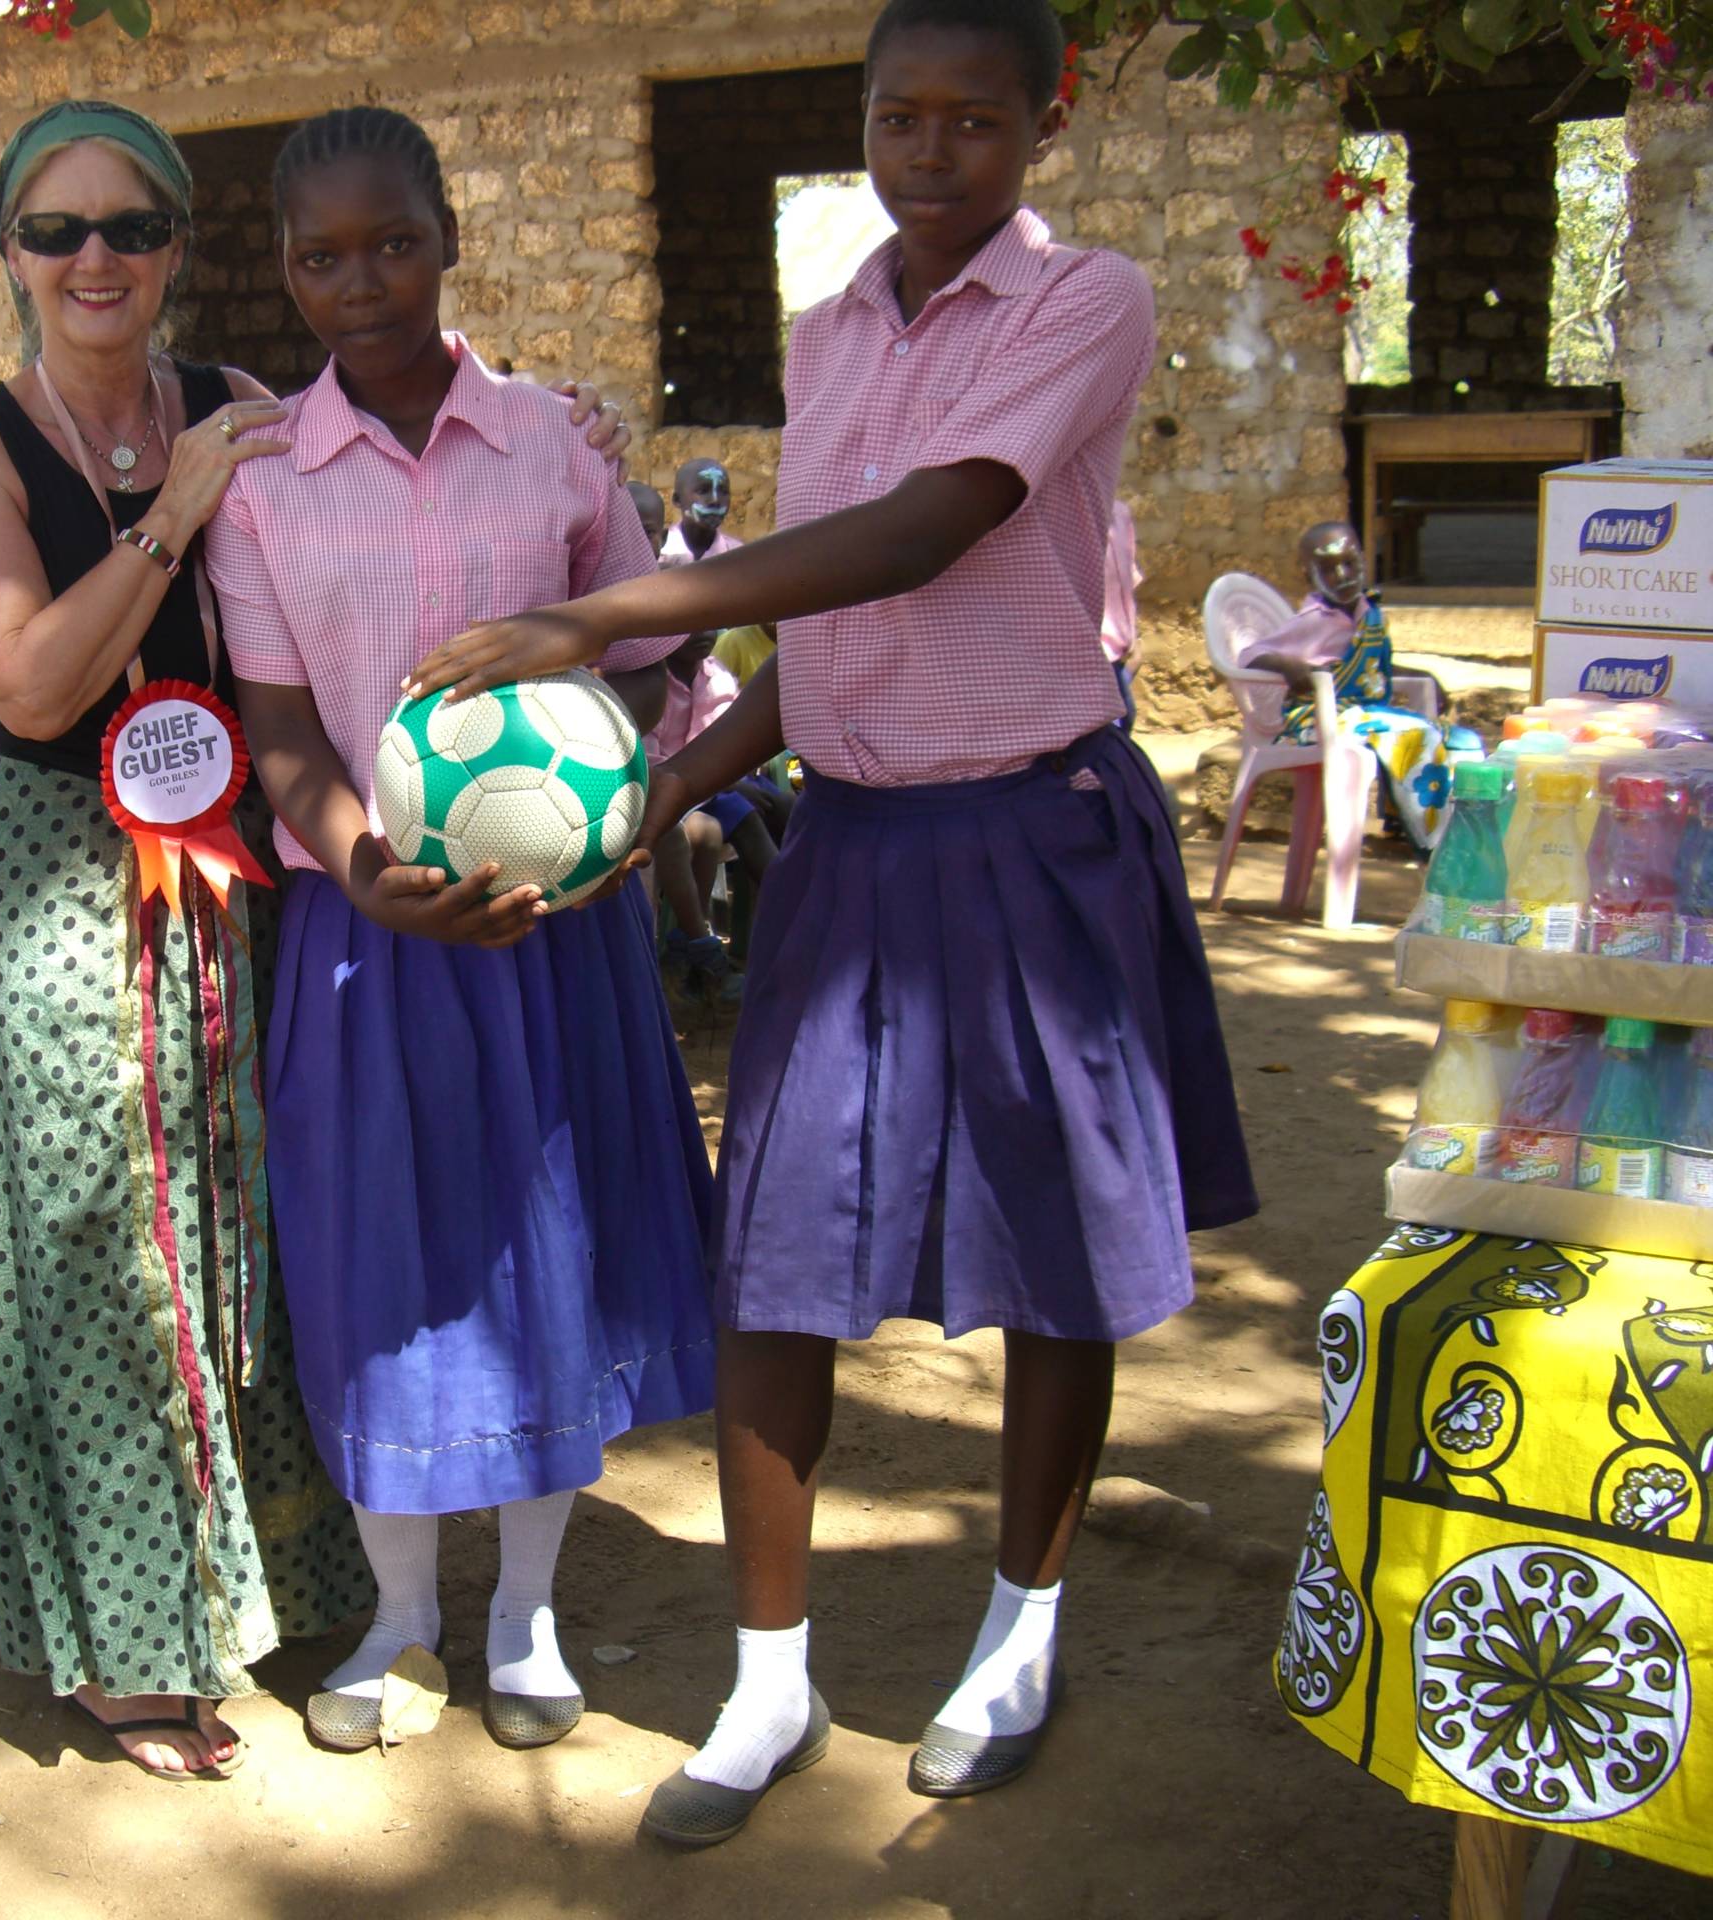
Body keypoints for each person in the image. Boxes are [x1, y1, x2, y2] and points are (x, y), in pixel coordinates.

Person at [408, 0, 1258, 1841]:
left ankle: (1018, 1633)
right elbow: (834, 623)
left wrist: (600, 616)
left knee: (1054, 1265)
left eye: (973, 119)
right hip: (855, 850)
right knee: (772, 1265)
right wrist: (655, 800)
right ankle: (769, 1679)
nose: (930, 153)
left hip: (1031, 838)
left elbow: (923, 535)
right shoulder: (830, 330)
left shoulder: (1086, 305)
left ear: (1045, 122)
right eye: (896, 118)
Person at [208, 104, 717, 1758]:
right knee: (387, 1272)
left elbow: (651, 647)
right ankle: (403, 1618)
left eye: (394, 243)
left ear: (449, 240)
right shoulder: (262, 484)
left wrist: (605, 802)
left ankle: (528, 1613)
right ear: (288, 271)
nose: (360, 280)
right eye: (321, 257)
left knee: (541, 1255)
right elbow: (283, 729)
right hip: (368, 936)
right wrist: (363, 867)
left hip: (552, 932)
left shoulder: (555, 443)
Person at [0, 97, 371, 1782]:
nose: (93, 257)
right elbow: (31, 685)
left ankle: (263, 1580)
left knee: (240, 1217)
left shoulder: (241, 403)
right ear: (12, 256)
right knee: (94, 1245)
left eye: (130, 226)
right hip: (57, 882)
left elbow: (376, 537)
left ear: (179, 246)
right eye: (57, 231)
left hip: (228, 866)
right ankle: (123, 1638)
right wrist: (172, 515)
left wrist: (567, 449)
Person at [1244, 517, 1451, 852]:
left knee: (1450, 737)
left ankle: (1413, 823)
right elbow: (1249, 655)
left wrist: (1424, 677)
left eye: (1349, 563)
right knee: (1417, 734)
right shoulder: (1313, 621)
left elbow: (1373, 668)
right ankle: (1433, 841)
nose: (1342, 575)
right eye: (1328, 569)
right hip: (1319, 723)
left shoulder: (1368, 613)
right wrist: (1287, 665)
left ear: (1365, 560)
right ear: (1308, 575)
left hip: (1360, 715)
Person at [645, 629, 777, 1000]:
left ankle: (786, 925)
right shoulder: (651, 682)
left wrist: (731, 781)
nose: (703, 634)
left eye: (708, 625)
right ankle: (698, 946)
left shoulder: (716, 676)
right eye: (688, 627)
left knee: (759, 817)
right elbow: (652, 761)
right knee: (706, 833)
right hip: (666, 790)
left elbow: (735, 741)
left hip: (713, 787)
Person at [1101, 498, 1140, 731]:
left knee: (1126, 718)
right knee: (1114, 729)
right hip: (1092, 655)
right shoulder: (1068, 518)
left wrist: (1135, 636)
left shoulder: (1120, 514)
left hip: (1118, 651)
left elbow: (1127, 582)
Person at [663, 458, 740, 567]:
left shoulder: (738, 556)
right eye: (703, 491)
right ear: (677, 500)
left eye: (723, 491)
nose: (715, 500)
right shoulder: (658, 552)